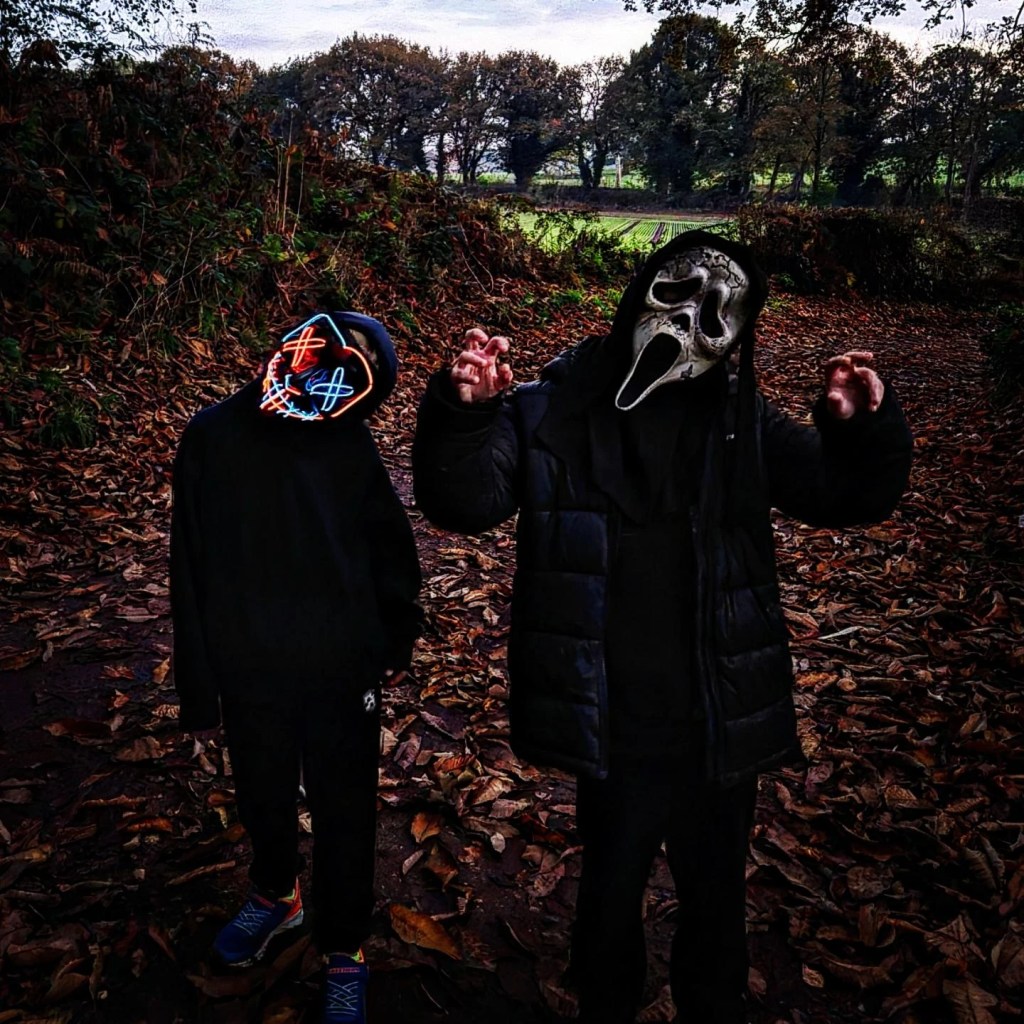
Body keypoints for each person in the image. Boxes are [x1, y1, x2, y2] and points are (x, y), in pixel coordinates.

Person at [411, 231, 913, 1024]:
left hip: (715, 721)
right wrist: (463, 414)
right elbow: (463, 501)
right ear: (639, 289)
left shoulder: (738, 420)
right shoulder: (552, 407)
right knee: (609, 896)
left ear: (740, 335)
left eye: (718, 311)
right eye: (677, 292)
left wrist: (862, 429)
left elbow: (843, 496)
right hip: (612, 724)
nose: (688, 323)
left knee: (715, 906)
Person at [170, 310, 422, 1024]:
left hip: (341, 667)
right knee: (262, 790)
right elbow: (186, 564)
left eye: (360, 359)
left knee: (346, 806)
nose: (334, 363)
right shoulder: (212, 436)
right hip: (249, 663)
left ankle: (345, 943)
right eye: (334, 342)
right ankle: (276, 892)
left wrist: (393, 642)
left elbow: (390, 552)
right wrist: (200, 685)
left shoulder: (349, 445)